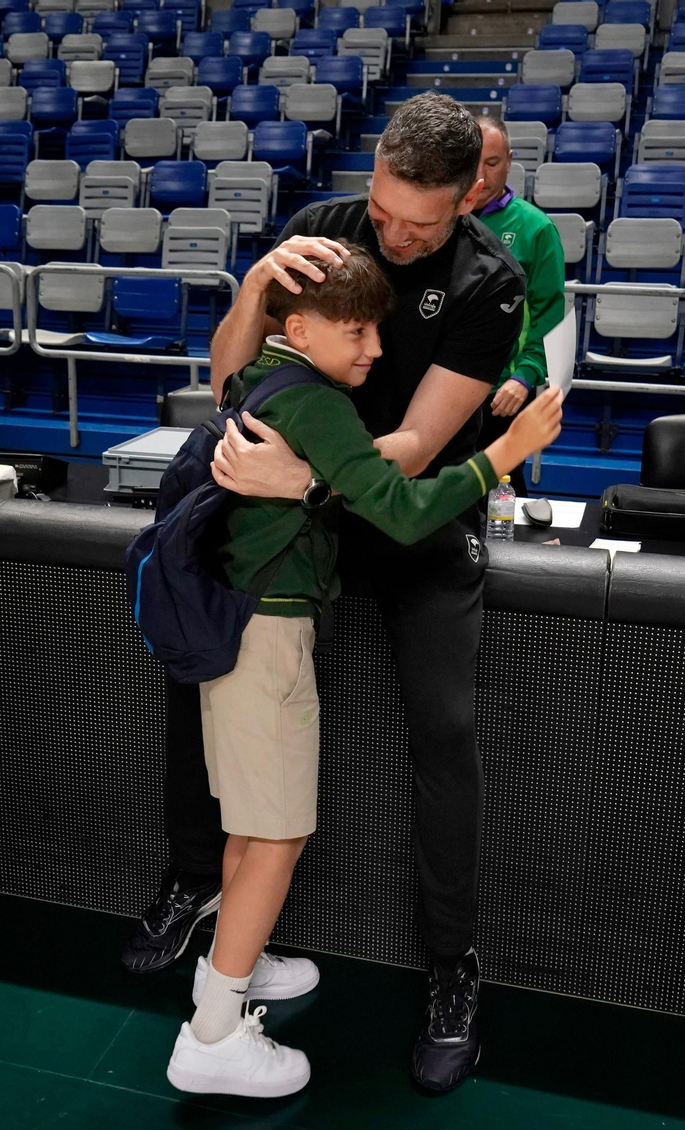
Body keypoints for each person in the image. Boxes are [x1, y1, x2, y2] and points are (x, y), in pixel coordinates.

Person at [122, 92, 527, 1093]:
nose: (392, 235)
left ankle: (450, 964)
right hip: (297, 527)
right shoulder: (315, 236)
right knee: (209, 680)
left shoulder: (490, 281)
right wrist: (254, 285)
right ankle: (203, 898)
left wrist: (302, 476)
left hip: (405, 511)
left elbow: (417, 453)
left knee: (444, 725)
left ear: (469, 192)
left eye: (418, 223)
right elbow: (228, 380)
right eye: (382, 209)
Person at [166, 245, 563, 1099]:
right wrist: (504, 452)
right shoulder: (320, 406)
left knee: (247, 820)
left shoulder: (257, 378)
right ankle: (213, 1035)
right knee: (277, 836)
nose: (376, 351)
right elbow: (404, 507)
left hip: (233, 628)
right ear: (299, 328)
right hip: (268, 637)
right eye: (357, 332)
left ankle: (232, 964)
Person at [469, 116, 567, 480]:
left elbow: (549, 316)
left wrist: (525, 376)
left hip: (502, 394)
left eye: (492, 163)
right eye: (472, 161)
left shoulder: (535, 229)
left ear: (509, 161)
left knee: (499, 496)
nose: (481, 173)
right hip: (439, 387)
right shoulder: (438, 219)